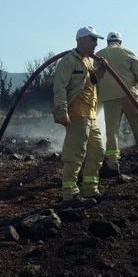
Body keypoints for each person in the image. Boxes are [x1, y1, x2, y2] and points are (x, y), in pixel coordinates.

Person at [53, 26, 107, 202]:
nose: (96, 43)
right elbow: (59, 87)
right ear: (81, 40)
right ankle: (70, 193)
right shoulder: (68, 61)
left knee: (98, 151)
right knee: (75, 154)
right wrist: (61, 111)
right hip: (77, 114)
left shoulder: (88, 62)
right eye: (92, 39)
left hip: (91, 115)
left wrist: (101, 70)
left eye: (96, 40)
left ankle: (90, 189)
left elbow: (93, 82)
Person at [96, 31, 138, 175]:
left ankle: (112, 163)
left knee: (111, 131)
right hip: (130, 96)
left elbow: (94, 75)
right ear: (120, 42)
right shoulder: (127, 52)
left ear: (107, 41)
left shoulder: (99, 54)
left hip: (109, 98)